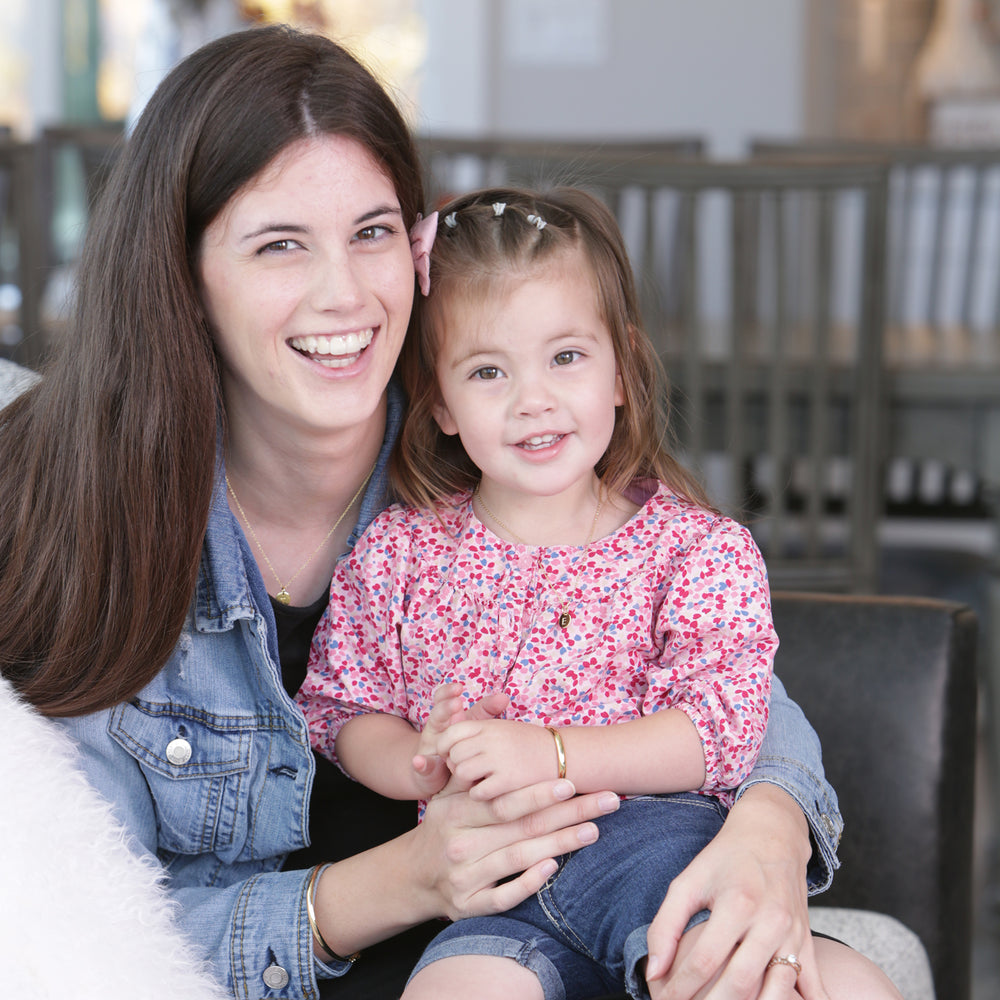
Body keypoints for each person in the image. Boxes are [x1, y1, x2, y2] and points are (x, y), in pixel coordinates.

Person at [0, 23, 890, 1000]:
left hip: (608, 888)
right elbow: (79, 936)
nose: (344, 294)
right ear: (186, 277)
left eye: (372, 232)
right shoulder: (84, 510)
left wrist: (771, 819)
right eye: (279, 244)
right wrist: (404, 880)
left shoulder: (494, 458)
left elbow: (726, 679)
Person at [297, 188, 902, 1000]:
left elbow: (719, 730)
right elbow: (341, 709)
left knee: (837, 987)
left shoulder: (694, 551)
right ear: (439, 401)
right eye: (487, 371)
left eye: (567, 357)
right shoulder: (399, 554)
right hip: (497, 900)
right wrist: (421, 764)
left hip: (665, 862)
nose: (532, 399)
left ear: (622, 370)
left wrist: (545, 752)